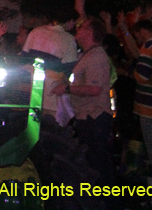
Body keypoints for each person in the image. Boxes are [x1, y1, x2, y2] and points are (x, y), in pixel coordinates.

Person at [51, 18, 116, 189]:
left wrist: (66, 89)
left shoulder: (96, 57)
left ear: (90, 32)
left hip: (94, 117)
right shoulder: (85, 55)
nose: (78, 29)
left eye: (82, 27)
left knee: (98, 164)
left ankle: (109, 202)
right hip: (86, 116)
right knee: (95, 163)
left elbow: (94, 89)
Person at [127, 19, 152, 205]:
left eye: (137, 36)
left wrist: (132, 69)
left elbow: (141, 75)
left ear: (143, 32)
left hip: (150, 109)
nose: (138, 40)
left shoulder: (150, 45)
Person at [21, 10, 79, 120]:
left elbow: (24, 58)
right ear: (70, 21)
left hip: (29, 86)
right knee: (50, 124)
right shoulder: (68, 39)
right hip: (52, 91)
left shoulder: (36, 31)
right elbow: (69, 68)